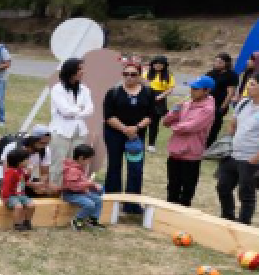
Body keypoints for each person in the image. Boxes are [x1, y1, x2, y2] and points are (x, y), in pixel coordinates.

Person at [216, 69, 259, 225]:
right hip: (232, 154)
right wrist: (231, 141)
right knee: (223, 187)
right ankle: (227, 217)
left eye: (252, 84)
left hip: (252, 159)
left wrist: (256, 159)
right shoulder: (244, 102)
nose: (248, 87)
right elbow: (233, 124)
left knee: (246, 194)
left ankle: (243, 223)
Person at [102, 60, 157, 201]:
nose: (129, 77)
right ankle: (112, 200)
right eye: (125, 74)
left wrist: (136, 128)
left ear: (139, 75)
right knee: (114, 166)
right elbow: (108, 116)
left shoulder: (148, 92)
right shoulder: (113, 92)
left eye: (133, 74)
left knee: (135, 168)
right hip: (114, 134)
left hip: (136, 137)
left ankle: (132, 203)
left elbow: (151, 115)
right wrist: (124, 128)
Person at [161, 76, 217, 206]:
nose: (192, 91)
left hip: (191, 153)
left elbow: (191, 126)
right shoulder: (186, 104)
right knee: (172, 185)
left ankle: (183, 214)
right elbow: (166, 122)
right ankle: (169, 211)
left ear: (206, 91)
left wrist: (174, 127)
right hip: (175, 151)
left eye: (196, 89)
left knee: (187, 188)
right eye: (191, 88)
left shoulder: (207, 109)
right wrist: (174, 111)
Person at [48, 58, 93, 187]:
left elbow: (90, 110)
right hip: (61, 132)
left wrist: (75, 112)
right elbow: (65, 111)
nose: (82, 72)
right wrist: (79, 110)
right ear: (71, 71)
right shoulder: (58, 88)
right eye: (79, 69)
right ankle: (55, 192)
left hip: (79, 131)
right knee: (58, 164)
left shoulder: (84, 89)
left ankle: (72, 191)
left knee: (76, 165)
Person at [61, 143, 105, 231]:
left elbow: (81, 181)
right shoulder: (72, 170)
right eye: (89, 160)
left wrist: (91, 184)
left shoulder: (79, 167)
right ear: (81, 158)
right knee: (90, 204)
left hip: (81, 193)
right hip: (70, 195)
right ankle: (77, 220)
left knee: (98, 199)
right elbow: (72, 186)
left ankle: (92, 220)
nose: (89, 162)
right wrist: (89, 184)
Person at [204, 53, 239, 145]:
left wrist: (223, 107)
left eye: (220, 62)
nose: (217, 64)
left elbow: (230, 92)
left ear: (227, 63)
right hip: (207, 102)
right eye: (215, 61)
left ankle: (209, 144)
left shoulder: (232, 75)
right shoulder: (211, 73)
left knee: (215, 125)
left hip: (220, 103)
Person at [0, 145, 35, 232]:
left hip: (21, 194)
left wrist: (28, 174)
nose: (28, 161)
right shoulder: (10, 172)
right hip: (11, 196)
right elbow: (6, 185)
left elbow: (23, 181)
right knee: (18, 207)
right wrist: (5, 197)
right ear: (19, 161)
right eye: (26, 159)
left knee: (31, 205)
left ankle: (27, 221)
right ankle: (17, 224)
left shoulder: (21, 170)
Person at [144, 56, 174, 153]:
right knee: (142, 120)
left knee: (154, 123)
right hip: (147, 98)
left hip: (159, 99)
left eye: (160, 64)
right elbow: (142, 85)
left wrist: (160, 96)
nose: (157, 65)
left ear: (164, 65)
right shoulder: (146, 74)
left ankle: (151, 144)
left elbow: (170, 89)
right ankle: (138, 141)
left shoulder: (168, 76)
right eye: (156, 63)